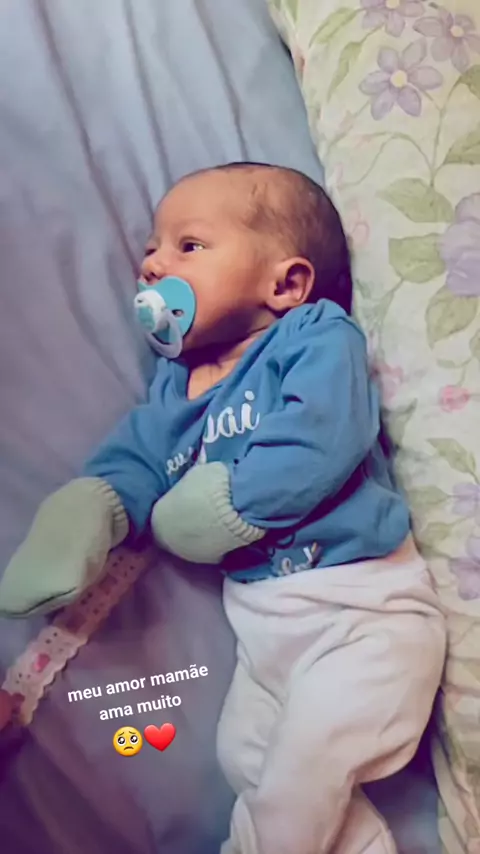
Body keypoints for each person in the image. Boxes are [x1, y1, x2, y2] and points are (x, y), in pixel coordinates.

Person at [0, 163, 446, 853]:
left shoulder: (314, 337)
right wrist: (92, 509)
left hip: (366, 615)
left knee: (304, 770)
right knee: (248, 759)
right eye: (152, 249)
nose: (153, 265)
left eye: (189, 246)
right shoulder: (176, 384)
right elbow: (140, 457)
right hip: (266, 635)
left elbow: (325, 435)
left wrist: (230, 505)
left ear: (285, 284)